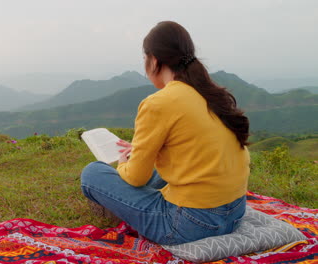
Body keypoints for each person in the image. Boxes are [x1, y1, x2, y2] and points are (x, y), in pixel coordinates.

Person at [80, 21, 250, 245]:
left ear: (154, 60)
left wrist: (123, 163)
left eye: (144, 59)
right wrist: (142, 150)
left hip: (189, 224)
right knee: (157, 167)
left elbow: (136, 177)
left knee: (93, 173)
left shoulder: (159, 102)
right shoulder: (210, 94)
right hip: (234, 213)